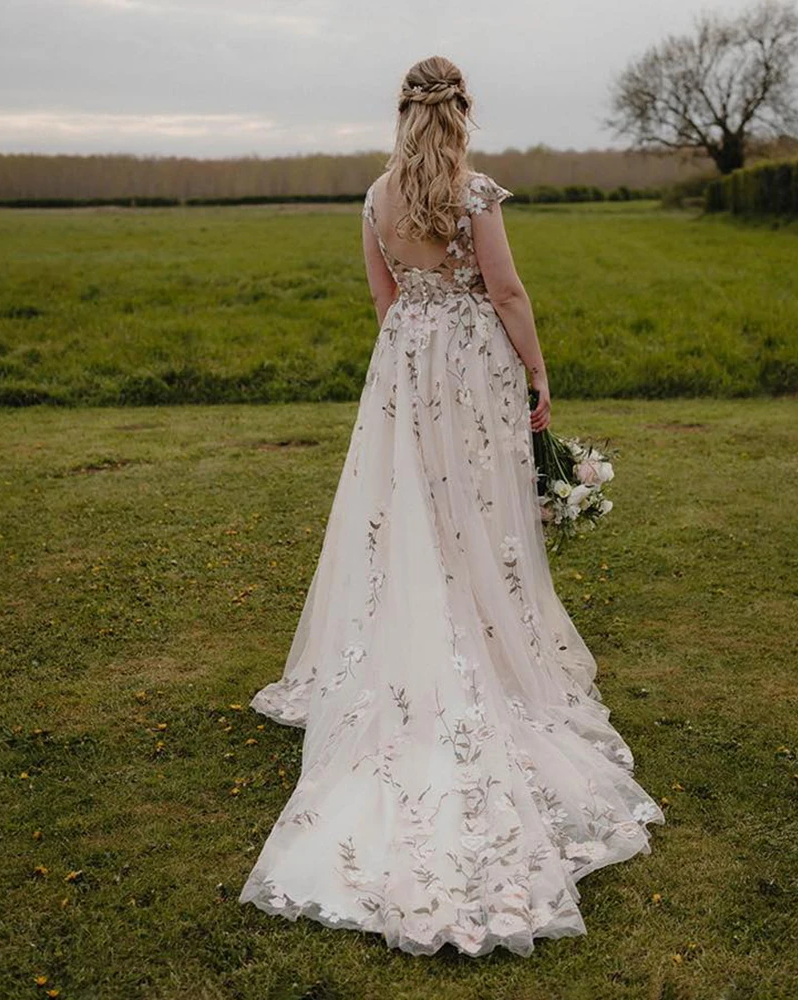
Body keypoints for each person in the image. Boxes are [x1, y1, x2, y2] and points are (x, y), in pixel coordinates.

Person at [238, 55, 665, 958]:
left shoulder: (374, 196)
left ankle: (425, 632)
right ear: (462, 112)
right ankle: (486, 642)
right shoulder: (473, 193)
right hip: (472, 361)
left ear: (401, 113)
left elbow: (383, 299)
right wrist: (537, 373)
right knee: (477, 513)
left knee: (411, 513)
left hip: (408, 363)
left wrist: (413, 357)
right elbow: (506, 290)